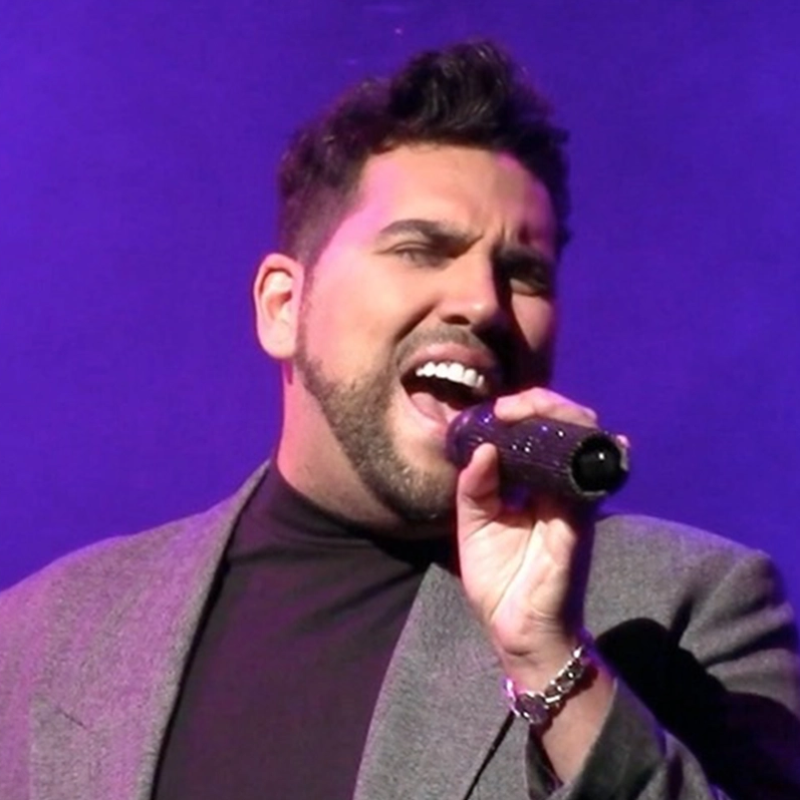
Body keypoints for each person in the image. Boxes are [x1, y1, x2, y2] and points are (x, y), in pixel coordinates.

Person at [1, 40, 798, 800]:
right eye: (422, 249)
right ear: (285, 306)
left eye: (524, 271)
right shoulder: (46, 635)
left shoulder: (685, 604)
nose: (483, 303)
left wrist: (551, 662)